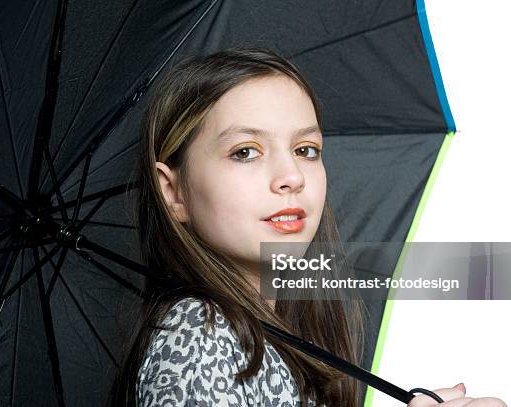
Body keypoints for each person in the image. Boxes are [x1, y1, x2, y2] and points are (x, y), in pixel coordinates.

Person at [109, 48, 507, 407]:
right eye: (245, 151)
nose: (292, 176)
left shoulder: (278, 334)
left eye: (306, 150)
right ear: (173, 191)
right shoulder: (200, 341)